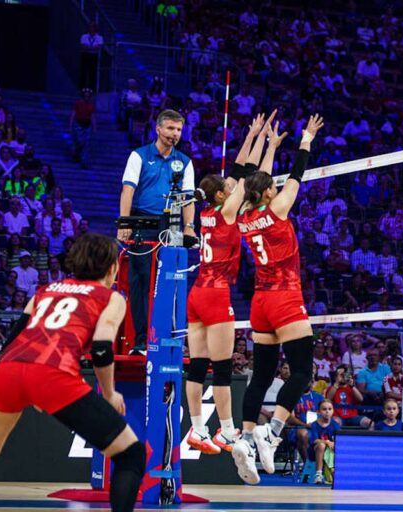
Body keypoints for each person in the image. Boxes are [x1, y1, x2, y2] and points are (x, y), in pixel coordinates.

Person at [0, 234, 143, 512]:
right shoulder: (111, 297)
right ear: (112, 268)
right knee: (131, 455)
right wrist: (109, 394)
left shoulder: (45, 290)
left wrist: (27, 387)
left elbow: (13, 339)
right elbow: (101, 350)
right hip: (53, 372)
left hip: (9, 369)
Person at [233, 114, 325, 483]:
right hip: (285, 298)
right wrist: (305, 140)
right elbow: (297, 174)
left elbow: (251, 178)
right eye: (273, 185)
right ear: (270, 192)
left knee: (262, 376)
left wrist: (270, 145)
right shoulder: (278, 208)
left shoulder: (243, 214)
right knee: (302, 372)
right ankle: (270, 435)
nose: (276, 186)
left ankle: (245, 439)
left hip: (260, 302)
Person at [182, 114, 268, 457]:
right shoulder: (227, 212)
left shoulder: (207, 212)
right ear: (221, 194)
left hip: (197, 292)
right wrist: (262, 141)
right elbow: (248, 175)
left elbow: (237, 171)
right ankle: (228, 431)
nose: (234, 189)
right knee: (221, 368)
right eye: (228, 188)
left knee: (197, 365)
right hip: (216, 293)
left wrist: (252, 135)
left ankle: (198, 428)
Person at [119, 109, 196, 353]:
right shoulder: (139, 155)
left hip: (171, 225)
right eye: (171, 128)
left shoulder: (185, 162)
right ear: (159, 128)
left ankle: (169, 338)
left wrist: (189, 227)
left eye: (179, 130)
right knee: (140, 281)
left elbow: (188, 198)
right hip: (142, 223)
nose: (175, 134)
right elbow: (128, 190)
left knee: (171, 280)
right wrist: (125, 223)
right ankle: (141, 341)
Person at [307, 400, 340, 485]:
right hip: (315, 451)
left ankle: (337, 472)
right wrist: (327, 442)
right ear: (318, 412)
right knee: (321, 445)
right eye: (324, 409)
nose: (327, 412)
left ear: (333, 411)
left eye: (329, 409)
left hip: (330, 452)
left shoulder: (335, 425)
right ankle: (318, 474)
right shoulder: (314, 425)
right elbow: (314, 440)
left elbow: (338, 440)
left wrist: (334, 443)